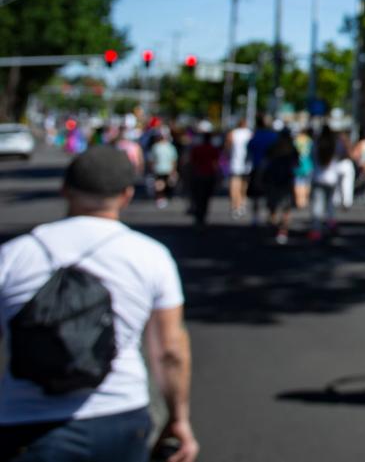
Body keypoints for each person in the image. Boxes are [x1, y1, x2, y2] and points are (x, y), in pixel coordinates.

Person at [0, 146, 198, 462]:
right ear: (126, 195)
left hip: (25, 420)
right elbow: (171, 351)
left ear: (65, 189)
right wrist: (178, 418)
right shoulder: (150, 256)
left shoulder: (13, 255)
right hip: (119, 414)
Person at [308, 130, 352, 242]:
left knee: (318, 204)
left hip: (318, 177)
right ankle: (330, 223)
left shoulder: (316, 145)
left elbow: (311, 158)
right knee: (330, 203)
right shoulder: (336, 145)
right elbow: (343, 156)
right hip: (332, 178)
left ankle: (316, 229)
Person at [263, 129, 299, 245]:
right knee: (286, 208)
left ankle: (272, 227)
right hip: (287, 180)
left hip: (273, 179)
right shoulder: (292, 149)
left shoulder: (273, 147)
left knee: (272, 206)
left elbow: (265, 162)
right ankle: (283, 232)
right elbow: (297, 164)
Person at [245, 118, 279, 226]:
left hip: (257, 167)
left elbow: (249, 150)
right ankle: (272, 215)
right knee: (271, 193)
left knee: (256, 194)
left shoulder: (255, 136)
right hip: (271, 168)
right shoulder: (273, 136)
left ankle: (255, 217)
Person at [186, 132, 221, 228]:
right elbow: (215, 164)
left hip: (198, 175)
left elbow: (191, 163)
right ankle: (202, 216)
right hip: (208, 175)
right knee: (205, 198)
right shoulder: (213, 149)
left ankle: (199, 216)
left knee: (198, 197)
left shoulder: (197, 149)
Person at [224, 119, 252, 219]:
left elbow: (227, 148)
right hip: (247, 164)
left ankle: (234, 206)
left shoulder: (232, 133)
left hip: (235, 162)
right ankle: (242, 204)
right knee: (244, 186)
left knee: (234, 185)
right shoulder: (250, 134)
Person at [149, 129, 178, 210]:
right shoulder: (156, 147)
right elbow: (152, 159)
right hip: (159, 169)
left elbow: (173, 159)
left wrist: (174, 170)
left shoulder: (170, 147)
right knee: (159, 185)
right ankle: (160, 198)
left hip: (168, 169)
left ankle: (165, 197)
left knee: (168, 185)